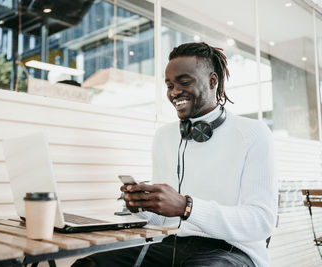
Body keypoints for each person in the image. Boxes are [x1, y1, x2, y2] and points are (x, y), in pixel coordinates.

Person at [72, 42, 278, 267]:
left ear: (212, 81)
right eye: (169, 85)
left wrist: (186, 206)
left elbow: (261, 221)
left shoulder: (253, 134)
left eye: (184, 82)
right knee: (89, 264)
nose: (174, 92)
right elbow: (163, 219)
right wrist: (143, 207)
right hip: (171, 244)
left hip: (232, 250)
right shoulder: (165, 137)